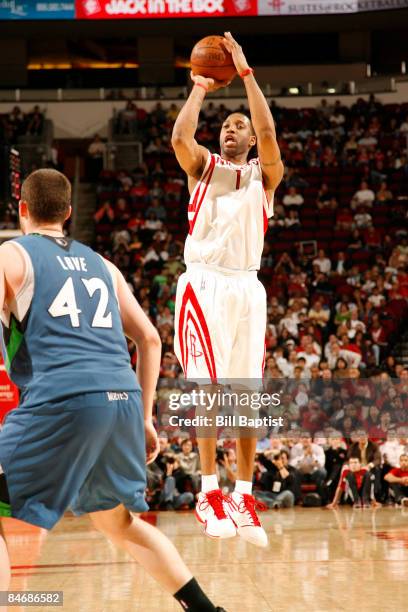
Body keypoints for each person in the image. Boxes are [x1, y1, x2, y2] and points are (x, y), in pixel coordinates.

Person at [0, 169, 226, 612]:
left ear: (22, 210)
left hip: (61, 399)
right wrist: (143, 418)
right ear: (68, 213)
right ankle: (205, 610)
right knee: (118, 523)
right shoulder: (103, 265)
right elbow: (150, 339)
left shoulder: (11, 254)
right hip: (121, 401)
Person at [171, 32, 283, 547]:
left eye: (240, 126)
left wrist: (245, 73)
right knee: (209, 393)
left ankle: (242, 494)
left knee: (247, 398)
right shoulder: (204, 168)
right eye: (227, 127)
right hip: (206, 283)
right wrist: (199, 88)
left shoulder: (266, 177)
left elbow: (267, 126)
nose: (233, 130)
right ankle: (208, 491)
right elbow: (179, 138)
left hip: (247, 289)